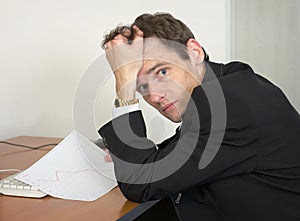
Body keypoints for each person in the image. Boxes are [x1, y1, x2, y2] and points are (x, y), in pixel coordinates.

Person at [98, 12, 300, 221]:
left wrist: (124, 90)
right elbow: (184, 148)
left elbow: (141, 184)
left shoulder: (230, 104)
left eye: (162, 72)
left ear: (194, 51)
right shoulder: (228, 83)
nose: (155, 95)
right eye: (141, 86)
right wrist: (129, 154)